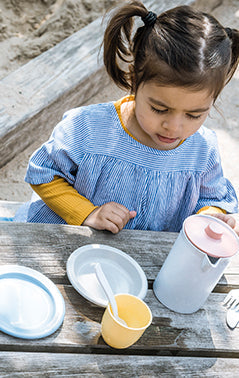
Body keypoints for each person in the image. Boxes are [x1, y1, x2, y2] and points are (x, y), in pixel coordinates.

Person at [16, 1, 239, 234]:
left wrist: (212, 217)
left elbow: (212, 198)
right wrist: (88, 213)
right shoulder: (89, 128)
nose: (173, 127)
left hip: (142, 260)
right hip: (71, 246)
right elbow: (43, 173)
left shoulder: (203, 150)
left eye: (194, 114)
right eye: (159, 109)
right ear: (134, 79)